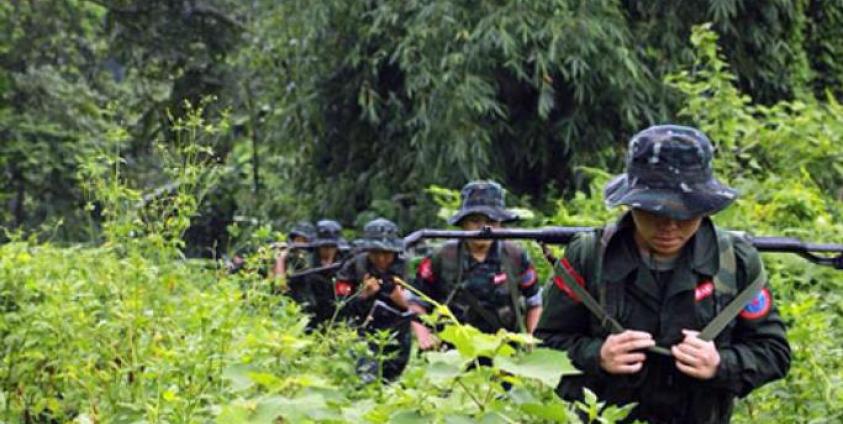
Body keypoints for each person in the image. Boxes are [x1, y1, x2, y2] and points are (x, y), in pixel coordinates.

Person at [535, 125, 791, 423]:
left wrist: (720, 364)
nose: (669, 225)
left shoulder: (734, 261)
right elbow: (545, 344)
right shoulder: (590, 257)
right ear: (631, 203)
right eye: (654, 211)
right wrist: (597, 355)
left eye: (685, 212)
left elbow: (774, 352)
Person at [409, 181, 542, 351]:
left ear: (500, 224)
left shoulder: (515, 256)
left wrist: (531, 338)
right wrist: (424, 336)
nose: (483, 228)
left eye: (491, 221)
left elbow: (535, 301)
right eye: (475, 221)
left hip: (505, 353)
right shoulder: (442, 257)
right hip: (453, 354)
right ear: (463, 223)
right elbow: (415, 301)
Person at [334, 218, 412, 383]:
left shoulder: (404, 267)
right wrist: (362, 295)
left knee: (394, 381)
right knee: (365, 381)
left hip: (397, 335)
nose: (381, 259)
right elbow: (339, 307)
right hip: (363, 333)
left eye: (386, 253)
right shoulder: (354, 266)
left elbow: (423, 305)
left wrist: (402, 301)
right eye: (376, 253)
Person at [287, 220, 346, 328]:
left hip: (336, 318)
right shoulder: (306, 262)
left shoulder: (344, 262)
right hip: (310, 317)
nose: (327, 251)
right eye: (324, 247)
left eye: (331, 247)